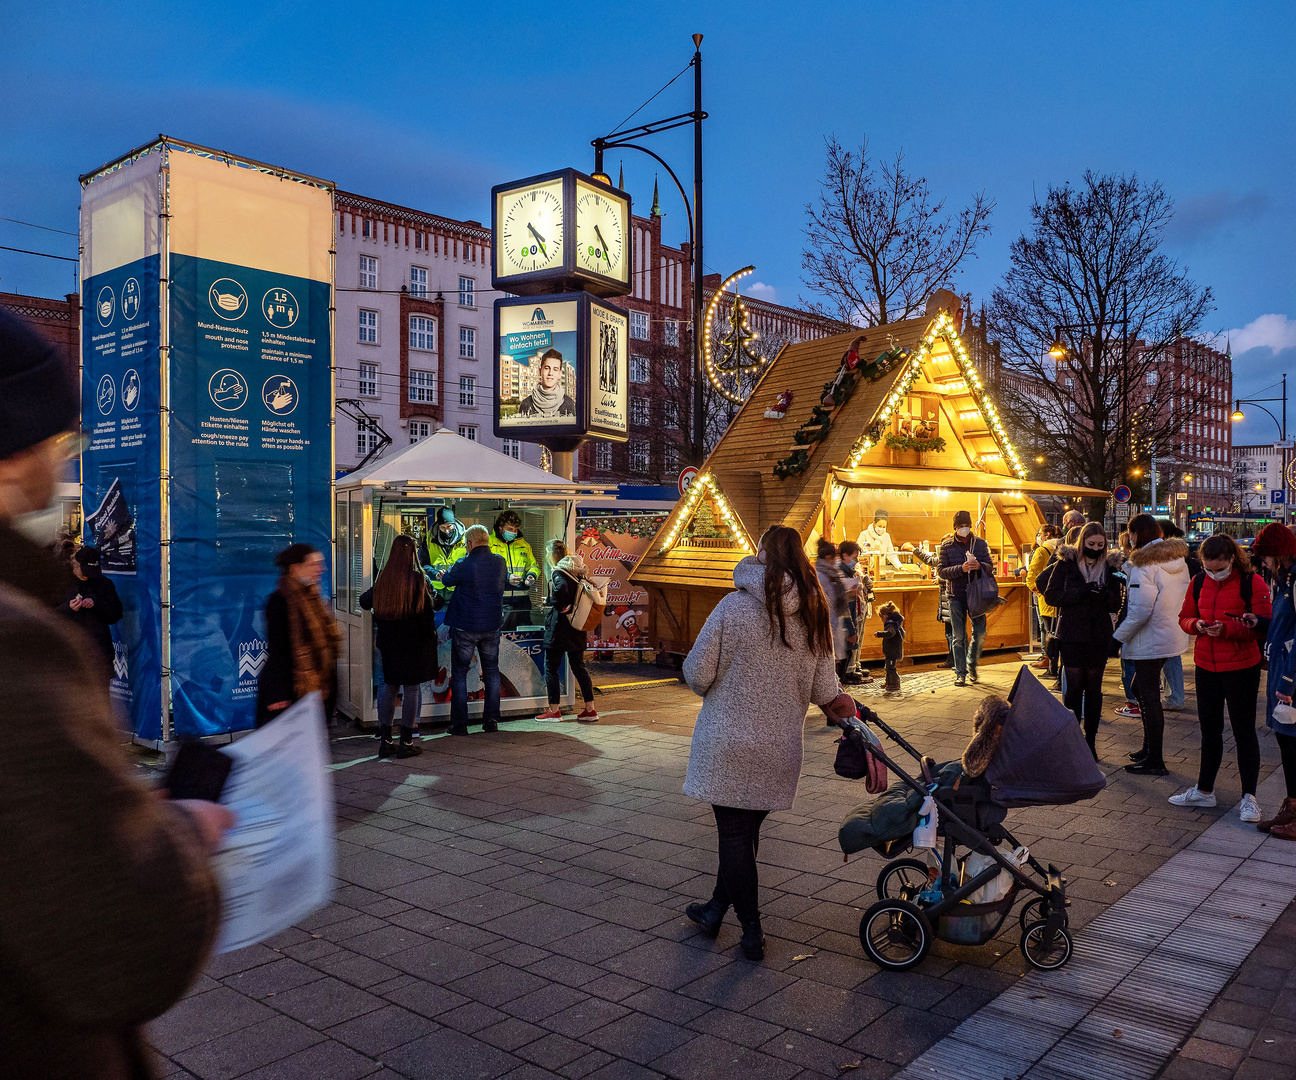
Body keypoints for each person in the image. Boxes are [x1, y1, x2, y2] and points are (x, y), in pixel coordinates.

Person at [0, 307, 229, 1077]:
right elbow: (120, 941)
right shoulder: (13, 641)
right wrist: (185, 832)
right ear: (10, 453)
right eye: (59, 437)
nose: (63, 456)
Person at [681, 525, 855, 960]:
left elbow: (697, 673)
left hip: (728, 744)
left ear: (761, 555)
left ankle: (752, 930)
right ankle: (715, 909)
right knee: (743, 835)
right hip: (779, 748)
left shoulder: (732, 607)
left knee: (735, 836)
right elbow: (823, 689)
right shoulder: (812, 615)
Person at [1169, 534, 1270, 821]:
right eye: (1208, 568)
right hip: (1206, 664)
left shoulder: (1253, 582)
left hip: (1241, 666)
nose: (1213, 573)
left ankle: (1249, 797)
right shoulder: (1198, 581)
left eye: (1219, 568)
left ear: (1232, 560)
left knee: (1244, 731)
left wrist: (1228, 629)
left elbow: (1263, 625)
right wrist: (1197, 624)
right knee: (1209, 730)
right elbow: (1185, 616)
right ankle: (1204, 790)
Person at [1113, 513, 1191, 776]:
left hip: (1150, 636)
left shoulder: (1144, 565)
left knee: (1147, 694)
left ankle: (1155, 758)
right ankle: (1149, 749)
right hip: (1170, 632)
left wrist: (1117, 637)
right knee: (1142, 688)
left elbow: (1139, 610)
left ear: (1136, 534)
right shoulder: (1176, 560)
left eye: (1131, 533)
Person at [1043, 522, 1124, 758]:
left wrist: (1104, 595)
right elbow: (1051, 595)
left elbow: (1116, 602)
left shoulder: (1110, 566)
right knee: (1074, 689)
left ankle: (1090, 740)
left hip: (1098, 635)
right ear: (1082, 543)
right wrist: (1081, 592)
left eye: (1100, 545)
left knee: (1094, 689)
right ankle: (1072, 739)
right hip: (1072, 634)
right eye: (1091, 544)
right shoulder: (1066, 563)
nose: (1096, 549)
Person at [359, 535, 438, 759]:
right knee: (411, 688)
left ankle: (385, 740)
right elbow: (431, 609)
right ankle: (406, 741)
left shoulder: (384, 579)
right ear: (412, 554)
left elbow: (364, 602)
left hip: (389, 642)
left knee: (388, 685)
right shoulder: (418, 580)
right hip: (413, 644)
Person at [256, 543, 339, 730]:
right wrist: (280, 696)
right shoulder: (280, 602)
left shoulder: (313, 599)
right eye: (314, 564)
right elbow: (280, 653)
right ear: (295, 568)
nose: (321, 569)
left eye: (321, 564)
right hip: (290, 695)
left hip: (314, 695)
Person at [1250, 523, 1296, 837]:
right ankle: (1291, 806)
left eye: (1266, 556)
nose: (1262, 563)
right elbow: (1284, 624)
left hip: (1290, 674)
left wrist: (1289, 683)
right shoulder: (1285, 581)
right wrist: (1261, 623)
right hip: (1281, 666)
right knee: (1286, 742)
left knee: (1292, 744)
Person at [441, 524, 506, 736]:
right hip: (491, 626)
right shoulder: (500, 562)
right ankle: (491, 721)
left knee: (459, 674)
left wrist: (445, 572)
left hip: (465, 627)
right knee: (491, 673)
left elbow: (447, 580)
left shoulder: (464, 564)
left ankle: (460, 724)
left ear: (470, 543)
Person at [536, 539, 599, 722]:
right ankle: (590, 709)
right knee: (579, 667)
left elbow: (561, 591)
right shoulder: (578, 572)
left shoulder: (559, 572)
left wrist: (553, 602)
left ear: (551, 555)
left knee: (551, 669)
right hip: (576, 627)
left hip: (559, 628)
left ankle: (554, 711)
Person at [938, 510, 995, 687]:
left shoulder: (979, 544)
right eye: (961, 526)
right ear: (955, 527)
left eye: (966, 525)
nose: (964, 529)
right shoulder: (947, 546)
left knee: (979, 631)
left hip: (977, 593)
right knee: (958, 636)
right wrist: (960, 569)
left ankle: (971, 664)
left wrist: (980, 565)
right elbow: (941, 571)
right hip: (956, 595)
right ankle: (960, 673)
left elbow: (989, 566)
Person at [58, 544, 123, 687]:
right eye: (85, 570)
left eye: (92, 571)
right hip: (70, 654)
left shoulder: (105, 584)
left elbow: (115, 615)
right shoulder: (62, 583)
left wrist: (96, 604)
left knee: (101, 699)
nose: (88, 575)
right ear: (75, 565)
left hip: (99, 653)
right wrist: (67, 608)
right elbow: (47, 613)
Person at [1156, 520, 1196, 711]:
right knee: (1170, 655)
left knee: (1168, 655)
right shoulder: (1183, 557)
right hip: (1178, 610)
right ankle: (1173, 695)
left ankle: (1174, 697)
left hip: (1167, 610)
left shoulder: (1164, 557)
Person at [489, 510, 540, 630]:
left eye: (516, 529)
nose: (513, 532)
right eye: (510, 528)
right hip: (499, 600)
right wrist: (507, 578)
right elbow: (487, 570)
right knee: (501, 638)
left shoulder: (523, 544)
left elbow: (533, 565)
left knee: (522, 637)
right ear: (500, 527)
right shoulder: (489, 543)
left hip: (522, 601)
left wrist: (531, 575)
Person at [815, 539, 852, 689]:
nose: (836, 560)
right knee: (830, 656)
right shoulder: (820, 575)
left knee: (836, 656)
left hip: (835, 619)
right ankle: (831, 688)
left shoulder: (833, 574)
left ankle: (835, 686)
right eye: (833, 557)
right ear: (828, 558)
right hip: (826, 620)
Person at [1027, 524, 1063, 675]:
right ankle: (1056, 667)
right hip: (1059, 601)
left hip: (1046, 601)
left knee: (1049, 634)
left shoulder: (1041, 551)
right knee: (1057, 634)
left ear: (1047, 535)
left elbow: (1032, 575)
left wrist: (1038, 591)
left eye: (1040, 534)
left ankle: (1051, 668)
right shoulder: (1063, 550)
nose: (1039, 537)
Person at [1113, 530, 1141, 719]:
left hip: (1130, 619)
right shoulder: (1151, 562)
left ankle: (1133, 702)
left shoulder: (1131, 566)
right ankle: (1139, 700)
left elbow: (1131, 599)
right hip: (1140, 623)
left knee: (1128, 661)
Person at [837, 540, 873, 684]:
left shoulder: (849, 572)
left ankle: (853, 667)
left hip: (854, 611)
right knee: (847, 645)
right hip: (846, 616)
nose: (856, 560)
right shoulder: (841, 574)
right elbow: (843, 604)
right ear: (845, 555)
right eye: (854, 557)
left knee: (854, 642)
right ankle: (847, 673)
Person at [516, 349, 576, 418]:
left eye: (555, 369)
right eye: (547, 368)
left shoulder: (569, 403)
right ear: (540, 371)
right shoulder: (526, 403)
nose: (550, 373)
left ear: (559, 374)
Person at [421, 506, 466, 597]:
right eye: (443, 527)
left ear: (454, 523)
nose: (446, 531)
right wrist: (435, 573)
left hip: (457, 588)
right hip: (435, 589)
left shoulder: (465, 538)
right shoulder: (429, 538)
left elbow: (470, 563)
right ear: (438, 525)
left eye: (449, 526)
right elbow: (422, 563)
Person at [874, 600, 905, 692]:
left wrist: (880, 634)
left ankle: (895, 683)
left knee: (891, 667)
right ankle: (888, 682)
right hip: (890, 650)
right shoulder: (893, 623)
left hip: (892, 650)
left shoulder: (890, 624)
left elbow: (890, 633)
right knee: (888, 667)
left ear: (885, 616)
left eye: (881, 618)